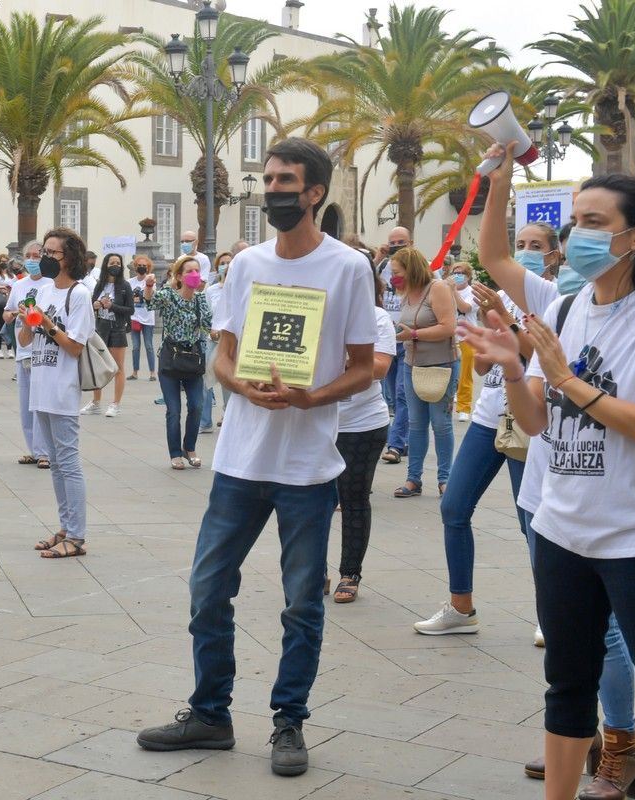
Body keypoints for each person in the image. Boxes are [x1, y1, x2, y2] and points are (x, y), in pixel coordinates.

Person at [464, 164, 635, 799]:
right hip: (563, 529)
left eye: (593, 223)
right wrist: (510, 367)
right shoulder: (565, 305)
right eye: (574, 221)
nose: (576, 235)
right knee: (567, 683)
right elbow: (535, 424)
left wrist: (565, 378)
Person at [137, 138, 376, 777]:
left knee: (302, 601)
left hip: (307, 469)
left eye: (285, 181)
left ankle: (288, 721)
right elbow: (224, 353)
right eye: (268, 179)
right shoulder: (244, 265)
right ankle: (210, 713)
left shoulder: (349, 268)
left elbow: (364, 368)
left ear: (316, 192)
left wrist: (311, 397)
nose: (273, 190)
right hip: (240, 462)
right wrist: (240, 385)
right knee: (207, 590)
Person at [413, 280, 531, 634]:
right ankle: (461, 608)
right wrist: (484, 334)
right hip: (487, 415)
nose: (526, 254)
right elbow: (481, 368)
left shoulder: (552, 298)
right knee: (454, 506)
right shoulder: (499, 296)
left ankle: (553, 614)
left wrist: (507, 319)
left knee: (533, 523)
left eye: (536, 247)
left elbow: (541, 353)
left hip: (527, 418)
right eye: (521, 246)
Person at [19, 227, 95, 559]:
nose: (46, 258)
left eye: (52, 253)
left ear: (70, 258)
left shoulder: (78, 295)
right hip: (41, 385)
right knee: (55, 464)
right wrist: (26, 320)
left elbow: (76, 346)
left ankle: (76, 535)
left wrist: (46, 324)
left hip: (63, 389)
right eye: (44, 253)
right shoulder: (46, 291)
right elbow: (24, 342)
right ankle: (64, 527)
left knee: (68, 461)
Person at [331, 252, 394, 603]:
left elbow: (379, 367)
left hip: (361, 424)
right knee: (311, 500)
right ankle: (312, 571)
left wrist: (330, 364)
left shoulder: (377, 317)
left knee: (353, 498)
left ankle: (349, 573)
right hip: (317, 421)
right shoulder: (319, 311)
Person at [390, 246, 457, 498]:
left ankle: (445, 479)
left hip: (442, 365)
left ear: (411, 269)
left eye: (397, 272)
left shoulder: (437, 288)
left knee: (441, 424)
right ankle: (413, 479)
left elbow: (449, 327)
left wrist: (414, 334)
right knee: (416, 424)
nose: (394, 277)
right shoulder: (406, 292)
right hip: (412, 365)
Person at [146, 254, 212, 469]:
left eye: (196, 271)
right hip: (171, 359)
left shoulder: (201, 300)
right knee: (173, 409)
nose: (194, 275)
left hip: (192, 359)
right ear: (180, 277)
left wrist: (217, 333)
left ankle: (189, 448)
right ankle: (175, 453)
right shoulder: (169, 295)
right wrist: (148, 286)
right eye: (189, 272)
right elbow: (150, 302)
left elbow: (208, 325)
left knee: (197, 405)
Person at [5, 241, 53, 468]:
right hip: (22, 348)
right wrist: (12, 314)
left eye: (37, 255)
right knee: (25, 403)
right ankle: (33, 449)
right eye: (29, 256)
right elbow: (7, 311)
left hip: (41, 348)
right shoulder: (19, 285)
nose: (33, 259)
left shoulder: (50, 284)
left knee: (40, 402)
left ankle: (45, 452)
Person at [80, 252, 133, 417]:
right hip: (101, 327)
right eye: (112, 262)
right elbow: (91, 304)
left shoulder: (125, 286)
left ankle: (115, 403)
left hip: (117, 328)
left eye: (118, 262)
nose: (115, 265)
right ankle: (96, 402)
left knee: (118, 367)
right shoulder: (99, 284)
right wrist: (95, 304)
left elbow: (130, 310)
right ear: (105, 265)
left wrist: (112, 306)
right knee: (97, 365)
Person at [380, 226, 413, 463]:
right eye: (393, 243)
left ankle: (396, 443)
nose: (397, 246)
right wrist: (379, 256)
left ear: (410, 243)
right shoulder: (383, 268)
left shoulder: (424, 268)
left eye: (401, 242)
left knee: (402, 394)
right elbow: (361, 280)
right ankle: (406, 438)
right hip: (385, 338)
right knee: (391, 395)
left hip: (408, 338)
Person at [201, 251, 233, 433]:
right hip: (212, 340)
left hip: (230, 341)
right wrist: (210, 331)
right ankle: (205, 422)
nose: (226, 266)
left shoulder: (238, 289)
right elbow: (206, 316)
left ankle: (228, 417)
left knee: (228, 382)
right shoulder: (212, 290)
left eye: (229, 262)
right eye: (223, 263)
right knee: (206, 381)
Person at [447, 261, 475, 422]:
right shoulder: (445, 291)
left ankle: (464, 407)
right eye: (455, 272)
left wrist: (453, 291)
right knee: (449, 374)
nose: (457, 276)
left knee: (465, 374)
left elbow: (465, 308)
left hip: (467, 338)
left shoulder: (472, 292)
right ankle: (451, 399)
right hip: (449, 338)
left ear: (468, 276)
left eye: (461, 273)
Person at [128, 254, 157, 381]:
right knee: (135, 347)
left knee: (149, 346)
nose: (141, 267)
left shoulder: (151, 281)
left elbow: (151, 295)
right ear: (135, 267)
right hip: (135, 317)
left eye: (144, 266)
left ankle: (152, 373)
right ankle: (135, 372)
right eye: (139, 265)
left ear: (148, 267)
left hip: (148, 318)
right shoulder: (130, 282)